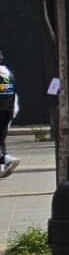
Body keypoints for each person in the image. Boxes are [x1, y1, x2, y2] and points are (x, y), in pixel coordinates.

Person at [0, 49, 19, 178]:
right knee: (1, 140)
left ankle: (7, 159)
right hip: (8, 110)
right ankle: (3, 166)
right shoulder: (7, 73)